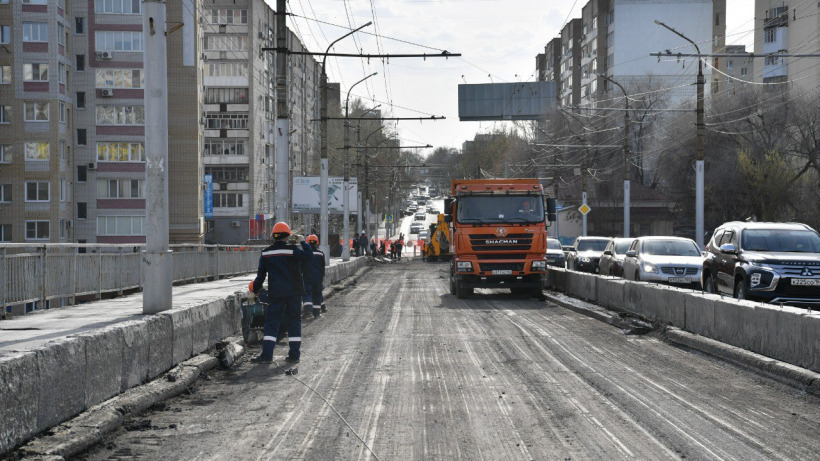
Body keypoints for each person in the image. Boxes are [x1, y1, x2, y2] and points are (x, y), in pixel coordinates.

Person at [248, 222, 312, 364]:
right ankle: (294, 355)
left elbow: (260, 277)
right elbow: (309, 256)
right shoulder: (293, 250)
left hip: (276, 293)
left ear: (274, 236)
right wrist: (303, 242)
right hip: (294, 292)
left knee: (272, 323)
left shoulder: (266, 253)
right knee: (294, 323)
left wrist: (254, 291)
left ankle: (267, 356)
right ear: (288, 235)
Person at [302, 234, 327, 318]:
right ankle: (317, 313)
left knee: (307, 293)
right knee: (317, 294)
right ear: (317, 243)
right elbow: (323, 266)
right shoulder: (321, 254)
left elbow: (301, 266)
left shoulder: (305, 254)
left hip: (307, 277)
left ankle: (308, 311)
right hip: (318, 278)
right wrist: (322, 276)